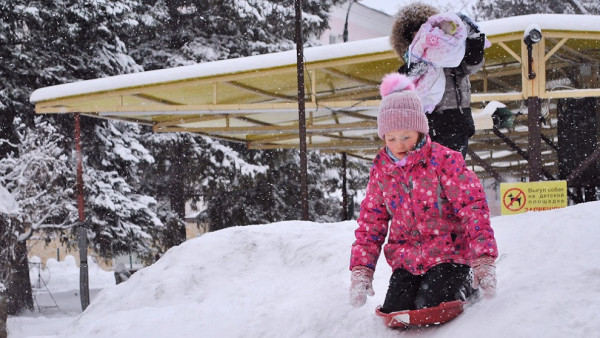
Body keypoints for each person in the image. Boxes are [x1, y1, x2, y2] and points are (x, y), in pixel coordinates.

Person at [348, 73, 498, 314]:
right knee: (397, 309)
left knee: (433, 302)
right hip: (407, 261)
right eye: (391, 138)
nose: (398, 145)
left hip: (449, 254)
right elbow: (371, 222)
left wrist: (483, 260)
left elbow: (473, 207)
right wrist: (361, 271)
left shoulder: (444, 161)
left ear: (419, 131)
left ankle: (468, 286)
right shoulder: (382, 169)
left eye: (405, 136)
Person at [390, 3, 487, 158]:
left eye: (422, 31)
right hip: (423, 130)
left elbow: (473, 62)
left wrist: (474, 38)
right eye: (414, 34)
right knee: (428, 178)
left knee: (450, 175)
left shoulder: (453, 61)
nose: (421, 37)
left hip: (455, 124)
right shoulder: (407, 70)